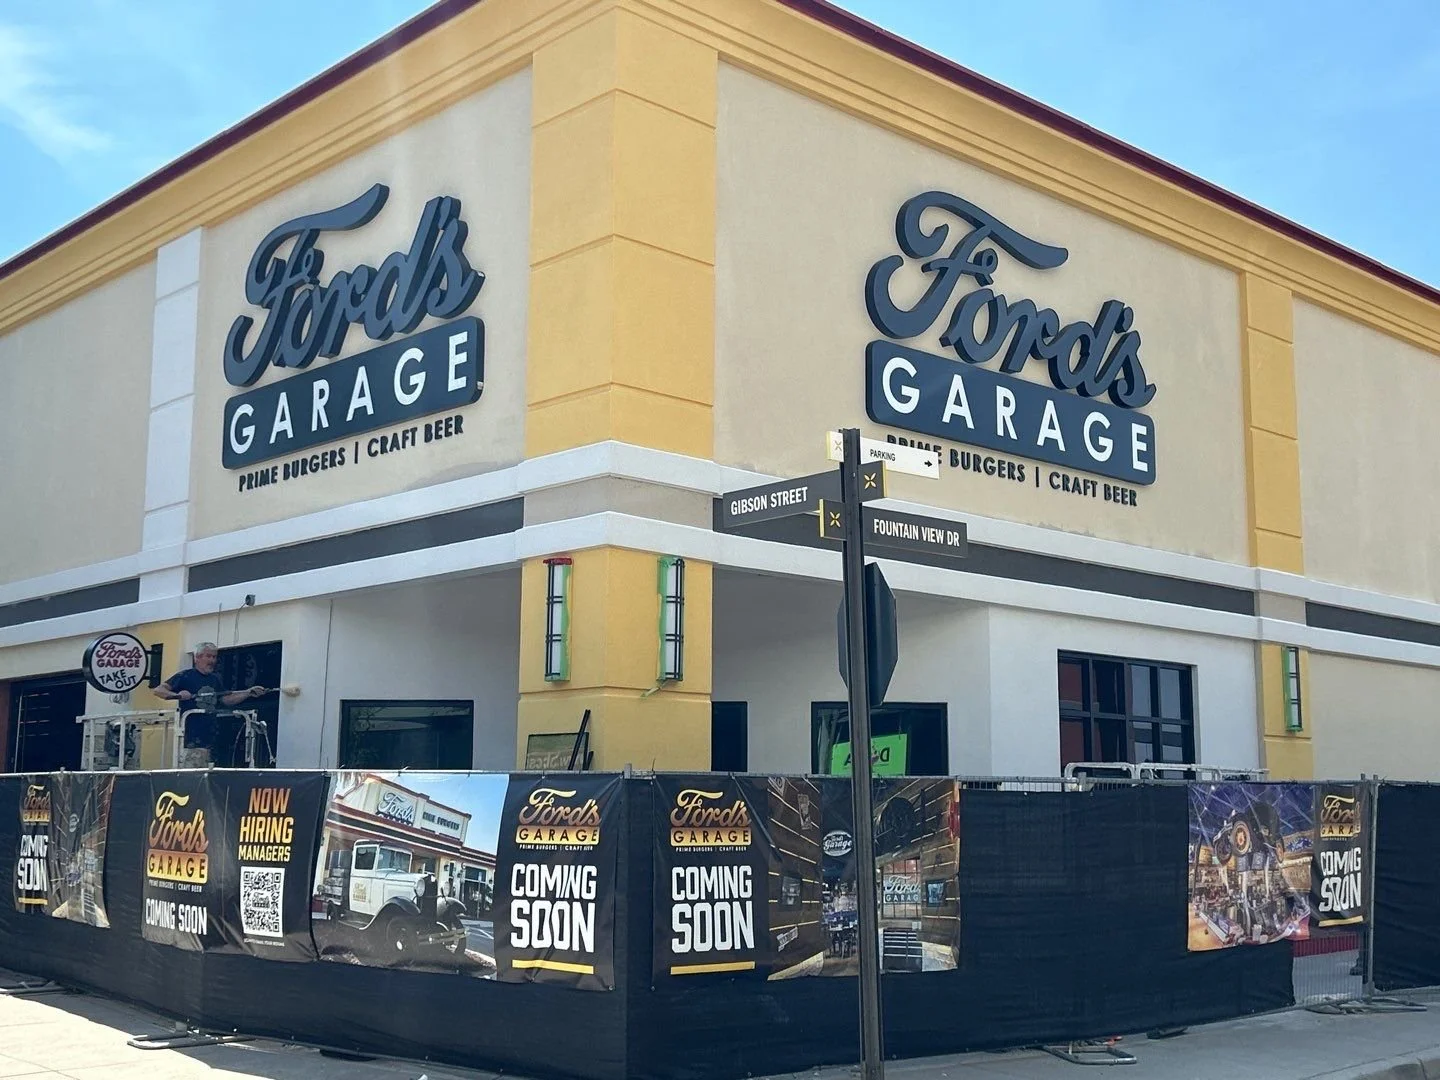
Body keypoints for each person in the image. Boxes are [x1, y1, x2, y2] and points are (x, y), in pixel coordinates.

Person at [153, 643, 265, 767]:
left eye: (214, 657)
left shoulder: (215, 679)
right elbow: (159, 690)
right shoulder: (186, 676)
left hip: (212, 740)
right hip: (191, 740)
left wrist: (248, 693)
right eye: (208, 656)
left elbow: (226, 699)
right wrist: (178, 695)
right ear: (197, 658)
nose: (212, 660)